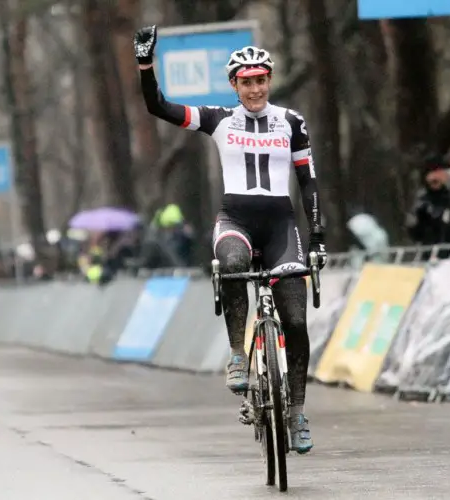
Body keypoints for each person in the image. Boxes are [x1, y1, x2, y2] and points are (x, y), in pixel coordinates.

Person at [134, 25, 328, 454]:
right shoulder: (219, 119)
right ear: (234, 85)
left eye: (261, 80)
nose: (255, 89)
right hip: (235, 219)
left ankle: (296, 412)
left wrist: (317, 236)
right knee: (234, 262)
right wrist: (146, 64)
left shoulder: (292, 122)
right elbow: (158, 106)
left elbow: (308, 183)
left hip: (282, 226)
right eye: (246, 82)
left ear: (268, 81)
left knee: (295, 321)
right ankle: (238, 356)